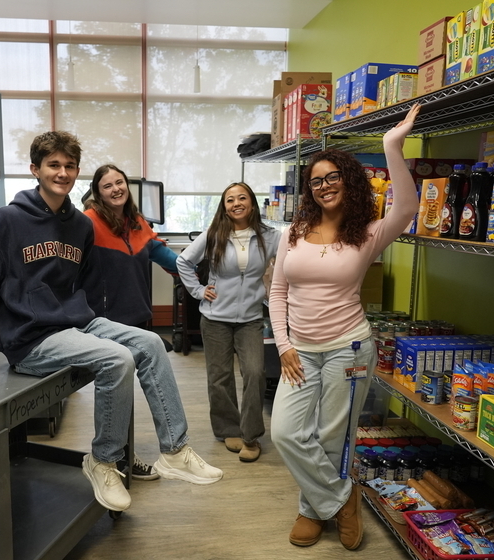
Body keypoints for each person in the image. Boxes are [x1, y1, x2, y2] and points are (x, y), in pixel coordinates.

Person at [0, 131, 222, 513]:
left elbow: (89, 285)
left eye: (69, 166)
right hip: (28, 336)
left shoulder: (79, 226)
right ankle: (103, 459)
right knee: (117, 359)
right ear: (35, 169)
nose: (62, 172)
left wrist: (105, 328)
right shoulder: (8, 220)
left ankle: (175, 450)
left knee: (149, 344)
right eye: (53, 165)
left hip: (74, 324)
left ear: (77, 172)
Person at [269, 104, 421, 549]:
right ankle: (341, 498)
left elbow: (409, 205)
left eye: (332, 176)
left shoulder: (369, 232)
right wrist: (282, 345)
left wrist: (392, 146)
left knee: (333, 436)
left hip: (347, 349)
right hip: (298, 350)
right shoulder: (292, 232)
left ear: (348, 181)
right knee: (286, 432)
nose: (323, 186)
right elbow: (277, 294)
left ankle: (310, 511)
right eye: (315, 180)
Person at [82, 163, 180, 480]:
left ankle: (123, 455)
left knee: (127, 393)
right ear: (97, 192)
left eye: (119, 182)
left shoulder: (136, 222)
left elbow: (165, 256)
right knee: (114, 390)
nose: (116, 189)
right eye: (107, 185)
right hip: (105, 320)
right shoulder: (88, 223)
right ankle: (112, 459)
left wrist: (200, 271)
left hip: (136, 315)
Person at [177, 182, 281, 462]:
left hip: (250, 318)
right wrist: (199, 291)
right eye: (230, 200)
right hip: (214, 319)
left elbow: (287, 266)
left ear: (252, 203)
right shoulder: (214, 234)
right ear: (224, 206)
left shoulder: (271, 237)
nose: (236, 203)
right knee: (220, 378)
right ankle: (228, 429)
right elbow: (183, 262)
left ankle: (251, 435)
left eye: (242, 197)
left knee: (255, 373)